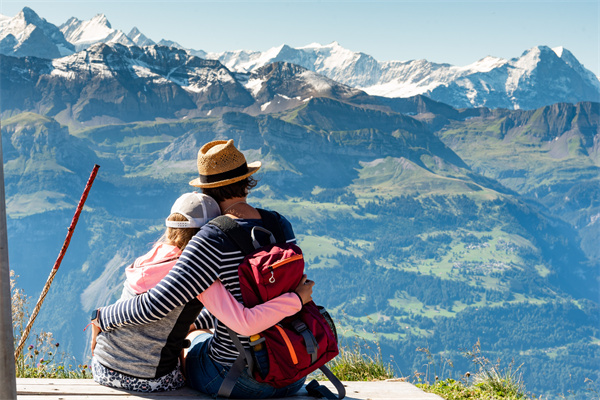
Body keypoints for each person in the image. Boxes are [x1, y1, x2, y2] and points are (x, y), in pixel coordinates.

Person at [92, 139, 311, 398]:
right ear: (246, 181)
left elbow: (157, 304)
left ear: (206, 191)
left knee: (194, 344)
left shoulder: (211, 238)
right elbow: (263, 297)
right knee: (201, 329)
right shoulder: (279, 224)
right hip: (295, 369)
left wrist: (101, 317)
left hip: (240, 381)